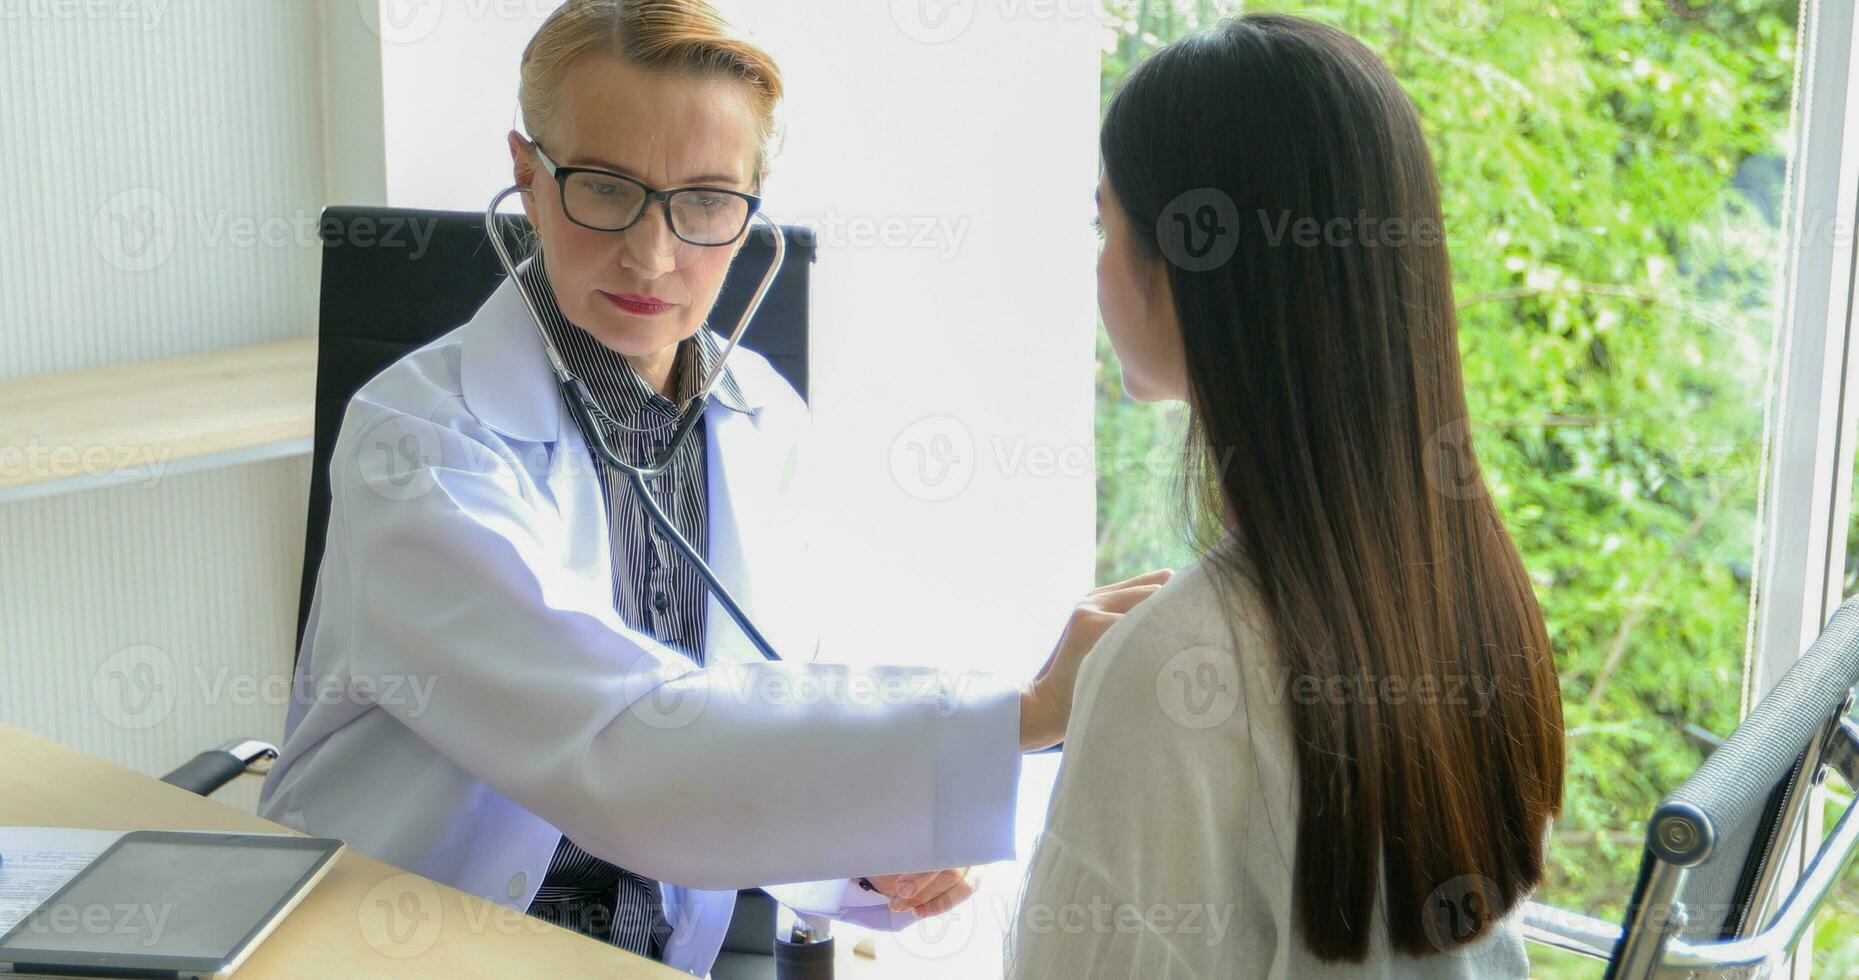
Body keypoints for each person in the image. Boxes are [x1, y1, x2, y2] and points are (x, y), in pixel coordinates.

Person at [258, 2, 1167, 974]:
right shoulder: (417, 443)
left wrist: (871, 839)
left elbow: (763, 695)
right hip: (405, 945)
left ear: (750, 207)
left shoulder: (759, 415)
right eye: (604, 189)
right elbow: (622, 742)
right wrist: (1015, 718)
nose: (651, 255)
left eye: (701, 201)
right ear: (527, 178)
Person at [1009, 14, 1566, 978]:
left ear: (1184, 271)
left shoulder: (1169, 675)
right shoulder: (1472, 595)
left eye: (1106, 224)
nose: (1096, 264)